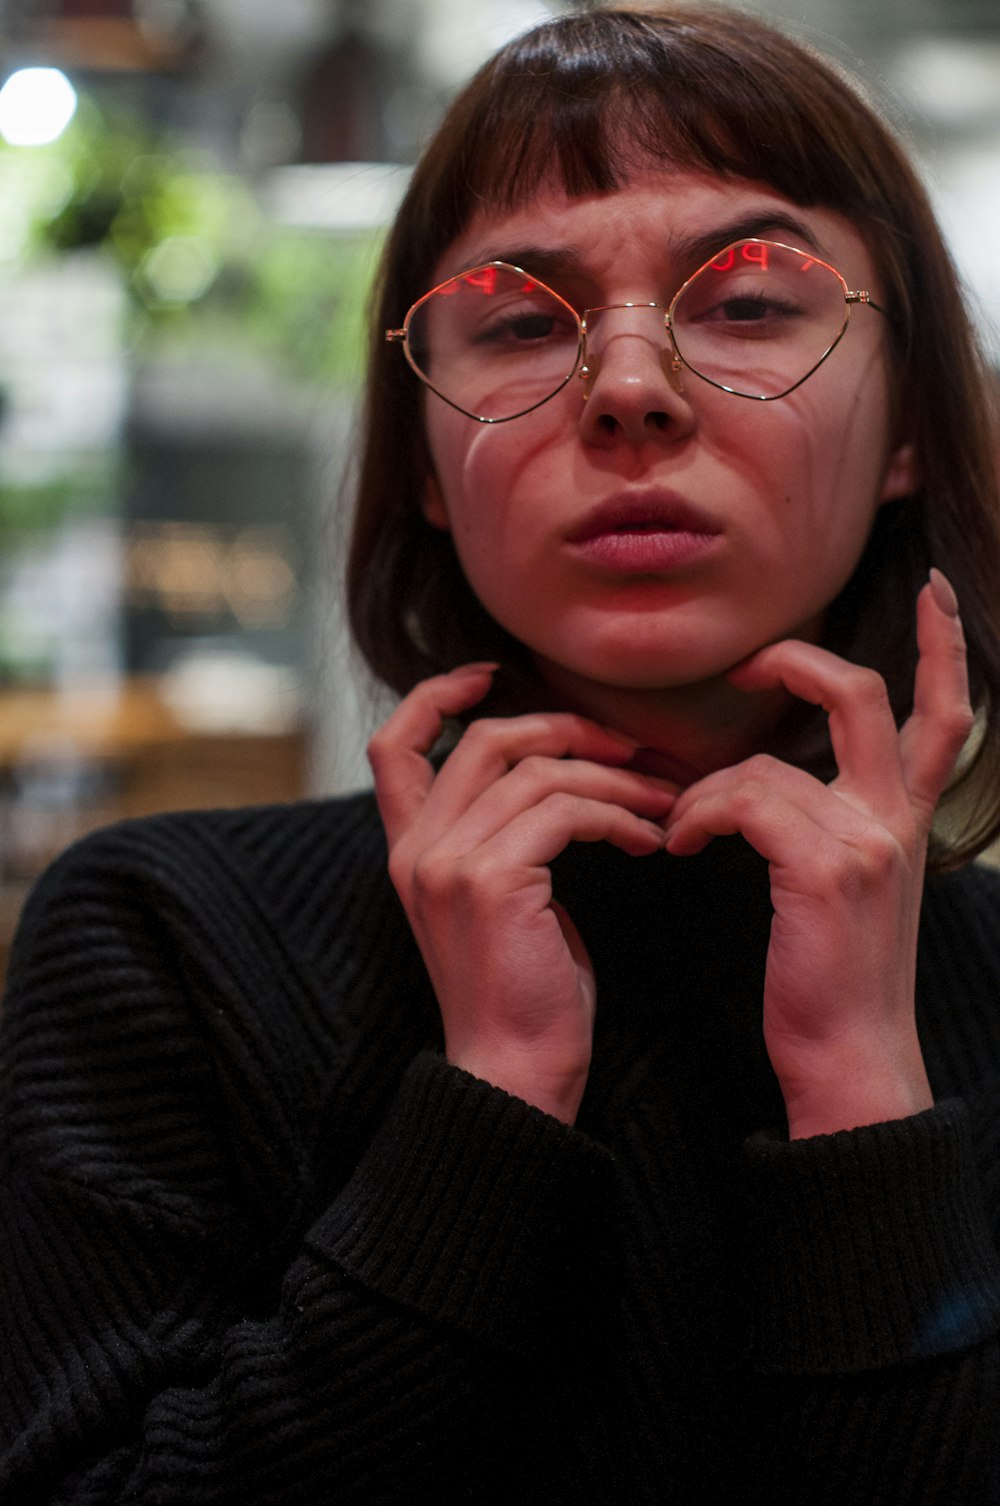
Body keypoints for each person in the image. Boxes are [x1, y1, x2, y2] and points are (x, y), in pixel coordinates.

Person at [3, 5, 1000, 1502]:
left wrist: (864, 1086)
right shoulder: (166, 934)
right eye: (523, 320)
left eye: (747, 303)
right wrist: (492, 1097)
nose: (629, 387)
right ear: (417, 458)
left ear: (910, 421)